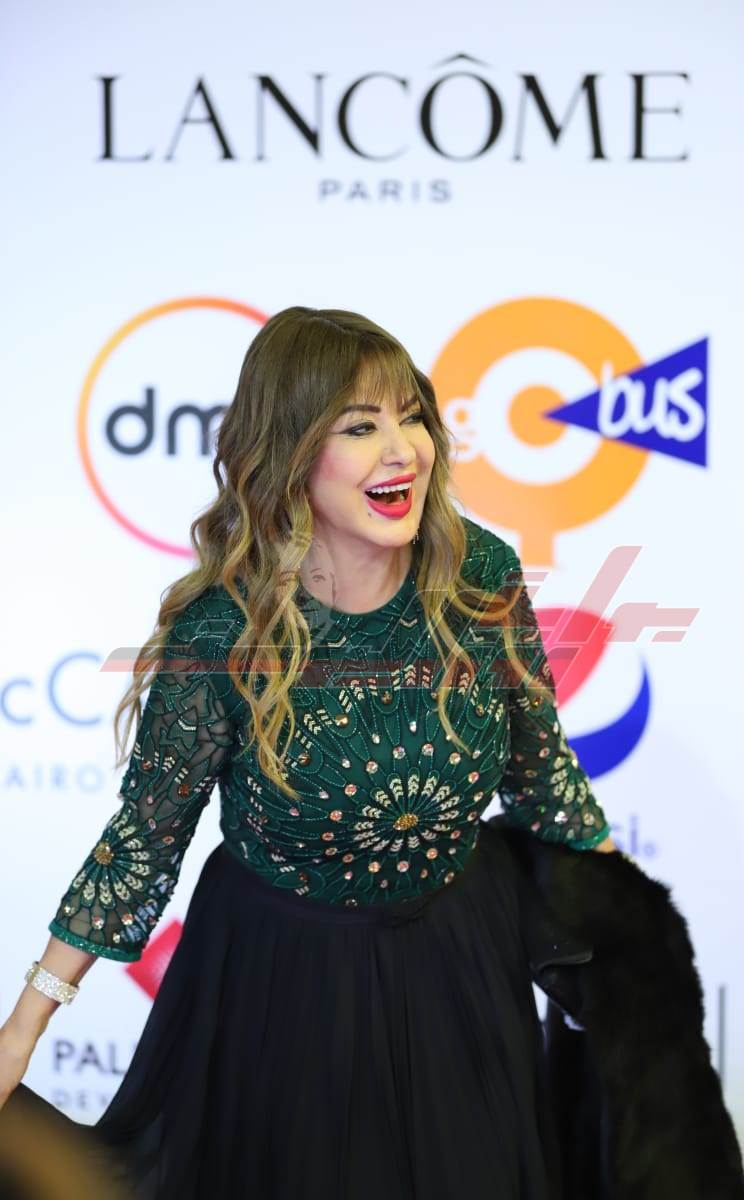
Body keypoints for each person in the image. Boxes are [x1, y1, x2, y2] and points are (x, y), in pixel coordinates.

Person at [0, 306, 620, 1199]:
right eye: (360, 427)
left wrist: (637, 950)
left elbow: (542, 774)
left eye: (411, 417)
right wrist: (22, 1031)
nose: (402, 451)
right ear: (290, 454)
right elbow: (144, 841)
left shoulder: (478, 572)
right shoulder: (224, 629)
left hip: (460, 961)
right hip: (284, 987)